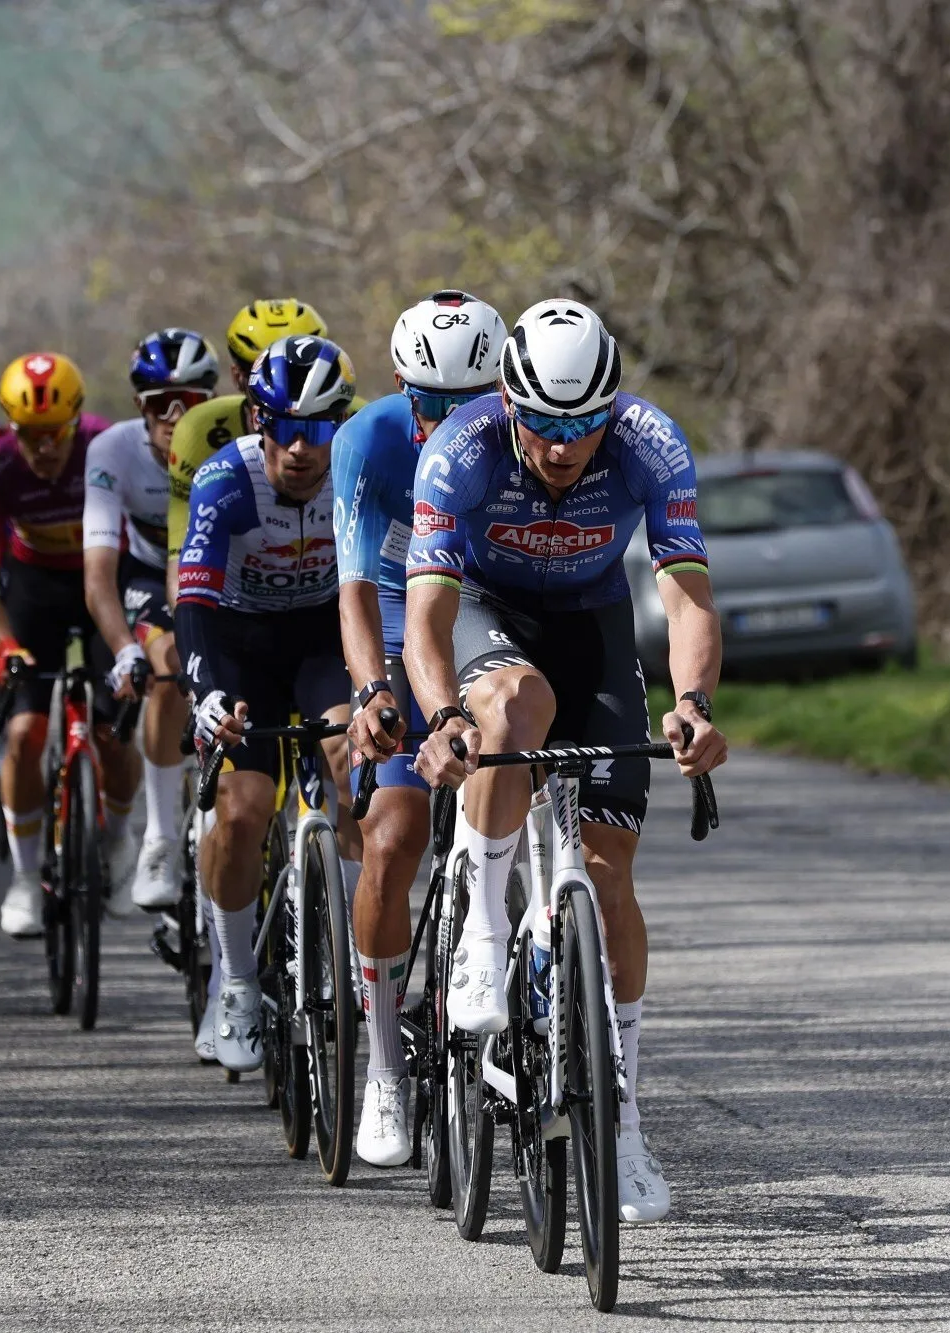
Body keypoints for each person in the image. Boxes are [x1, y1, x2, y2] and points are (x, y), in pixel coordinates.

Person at [404, 299, 728, 1225]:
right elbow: (426, 617)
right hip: (486, 612)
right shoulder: (460, 450)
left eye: (583, 424)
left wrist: (694, 704)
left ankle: (621, 1125)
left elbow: (687, 594)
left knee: (607, 873)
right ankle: (478, 935)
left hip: (593, 626)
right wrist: (444, 715)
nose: (561, 445)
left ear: (610, 409)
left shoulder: (649, 442)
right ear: (509, 403)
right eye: (543, 423)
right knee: (518, 705)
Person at [333, 289, 508, 1167]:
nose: (448, 419)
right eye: (430, 402)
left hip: (492, 612)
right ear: (403, 388)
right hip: (406, 618)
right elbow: (359, 587)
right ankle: (383, 1069)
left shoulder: (525, 431)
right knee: (394, 833)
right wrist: (373, 690)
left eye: (468, 402)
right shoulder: (367, 440)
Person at [174, 334, 362, 1072]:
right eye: (284, 426)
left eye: (316, 428)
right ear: (259, 420)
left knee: (354, 766)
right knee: (244, 810)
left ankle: (349, 952)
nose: (300, 448)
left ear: (338, 426)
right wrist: (205, 692)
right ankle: (236, 982)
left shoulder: (356, 470)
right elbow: (193, 604)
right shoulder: (226, 479)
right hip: (240, 647)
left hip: (322, 643)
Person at [0, 352, 136, 938]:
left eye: (54, 435)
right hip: (34, 589)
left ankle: (119, 841)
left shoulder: (105, 448)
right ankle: (23, 876)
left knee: (114, 730)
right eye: (28, 435)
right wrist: (4, 645)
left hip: (103, 580)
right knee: (23, 733)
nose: (42, 449)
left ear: (77, 422)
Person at [85, 329, 215, 919]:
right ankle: (159, 838)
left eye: (188, 402)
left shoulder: (231, 438)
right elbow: (99, 575)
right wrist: (123, 649)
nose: (174, 418)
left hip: (219, 569)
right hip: (144, 573)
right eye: (159, 403)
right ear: (139, 405)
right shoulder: (113, 451)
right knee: (167, 666)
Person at [163, 299, 331, 589]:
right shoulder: (196, 429)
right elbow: (181, 559)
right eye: (265, 374)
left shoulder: (359, 419)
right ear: (237, 377)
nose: (284, 392)